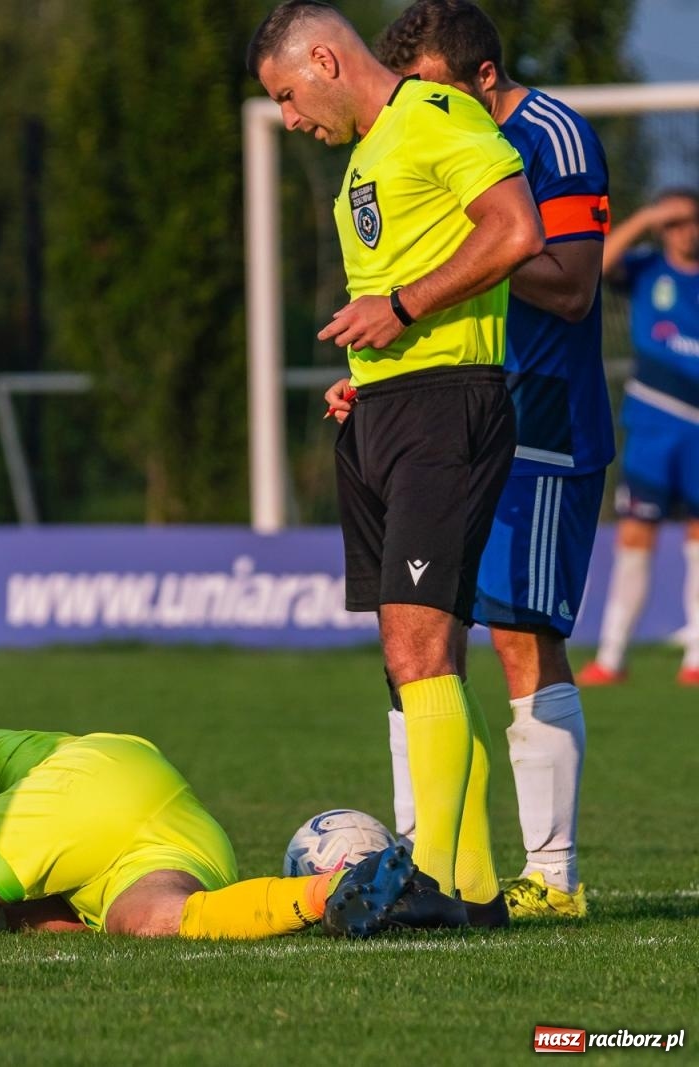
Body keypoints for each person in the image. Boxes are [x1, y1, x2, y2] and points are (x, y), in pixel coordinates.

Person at [248, 1, 544, 920]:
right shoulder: (362, 165)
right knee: (415, 656)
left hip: (446, 410)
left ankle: (436, 884)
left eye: (289, 95)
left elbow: (515, 230)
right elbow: (390, 297)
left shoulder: (438, 116)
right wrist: (364, 373)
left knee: (421, 647)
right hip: (386, 407)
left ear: (326, 61)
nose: (290, 118)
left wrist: (404, 311)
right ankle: (475, 889)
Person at [373, 0, 612, 921]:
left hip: (540, 420)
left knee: (520, 635)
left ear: (481, 79)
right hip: (446, 417)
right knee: (419, 639)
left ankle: (553, 879)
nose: (420, 108)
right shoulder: (424, 142)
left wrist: (477, 249)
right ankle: (420, 862)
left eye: (435, 89)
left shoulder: (552, 134)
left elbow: (576, 287)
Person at [0, 729, 467, 940]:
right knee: (163, 916)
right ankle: (331, 892)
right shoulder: (41, 848)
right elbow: (57, 909)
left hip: (94, 777)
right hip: (182, 827)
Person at [578, 190, 699, 686]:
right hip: (653, 423)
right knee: (635, 534)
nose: (683, 231)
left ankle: (695, 658)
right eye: (672, 224)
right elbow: (597, 263)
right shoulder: (646, 267)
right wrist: (646, 216)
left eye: (689, 221)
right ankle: (612, 656)